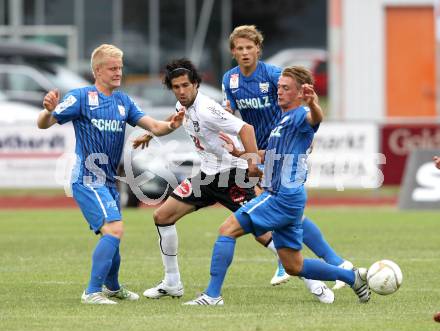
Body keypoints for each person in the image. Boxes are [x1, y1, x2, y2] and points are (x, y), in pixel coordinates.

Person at [184, 66, 370, 306]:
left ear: (301, 93)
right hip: (289, 199)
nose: (278, 92)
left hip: (281, 197)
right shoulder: (282, 121)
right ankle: (351, 276)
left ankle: (212, 295)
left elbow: (315, 118)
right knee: (294, 266)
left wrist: (313, 103)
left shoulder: (301, 115)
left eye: (285, 88)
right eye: (278, 87)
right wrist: (240, 152)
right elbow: (269, 156)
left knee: (227, 230)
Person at [37, 44, 184, 304]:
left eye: (120, 68)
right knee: (115, 229)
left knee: (111, 232)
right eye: (113, 68)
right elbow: (44, 124)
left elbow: (155, 127)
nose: (118, 73)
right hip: (86, 178)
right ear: (98, 71)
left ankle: (113, 287)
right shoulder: (81, 97)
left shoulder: (123, 101)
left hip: (108, 181)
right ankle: (91, 292)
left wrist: (172, 125)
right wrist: (49, 109)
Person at [222, 25, 352, 290]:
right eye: (240, 48)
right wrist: (239, 147)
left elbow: (295, 102)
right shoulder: (230, 80)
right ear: (233, 52)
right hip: (259, 149)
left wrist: (305, 134)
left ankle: (296, 262)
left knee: (269, 204)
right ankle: (336, 263)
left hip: (284, 145)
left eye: (250, 47)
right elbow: (231, 114)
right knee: (280, 209)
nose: (246, 52)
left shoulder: (273, 75)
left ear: (258, 49)